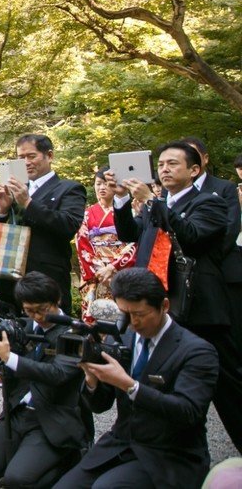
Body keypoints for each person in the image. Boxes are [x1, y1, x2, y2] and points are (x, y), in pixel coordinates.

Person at [112, 140, 242, 452]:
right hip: (159, 304)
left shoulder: (208, 201)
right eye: (161, 165)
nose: (165, 169)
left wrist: (155, 203)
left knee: (228, 388)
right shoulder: (159, 202)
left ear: (195, 170)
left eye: (173, 164)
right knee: (156, 377)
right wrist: (120, 200)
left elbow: (194, 237)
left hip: (200, 308)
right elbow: (131, 232)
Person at [56, 268, 219, 489]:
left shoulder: (197, 351)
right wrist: (92, 380)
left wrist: (130, 385)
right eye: (125, 313)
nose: (132, 322)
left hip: (170, 453)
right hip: (121, 443)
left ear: (164, 306)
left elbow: (188, 411)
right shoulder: (123, 336)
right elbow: (100, 405)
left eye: (139, 314)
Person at [0, 272, 86, 488]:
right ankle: (29, 456)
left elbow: (57, 374)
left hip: (52, 417)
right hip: (19, 411)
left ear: (57, 301)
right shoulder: (22, 326)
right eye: (29, 310)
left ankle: (70, 458)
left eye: (42, 310)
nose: (37, 317)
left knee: (17, 480)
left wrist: (10, 357)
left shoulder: (74, 332)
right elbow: (5, 370)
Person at [0, 134, 87, 312]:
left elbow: (68, 225)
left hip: (46, 279)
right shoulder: (12, 190)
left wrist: (28, 203)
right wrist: (3, 211)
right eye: (21, 158)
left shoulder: (69, 188)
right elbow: (2, 235)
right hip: (9, 281)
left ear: (49, 156)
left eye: (31, 156)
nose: (26, 162)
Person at [76, 169, 137, 324]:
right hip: (96, 276)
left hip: (121, 271)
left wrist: (113, 267)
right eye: (98, 184)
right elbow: (82, 244)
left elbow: (134, 243)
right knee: (95, 321)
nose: (101, 188)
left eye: (106, 184)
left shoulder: (130, 212)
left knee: (124, 319)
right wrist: (99, 271)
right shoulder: (87, 214)